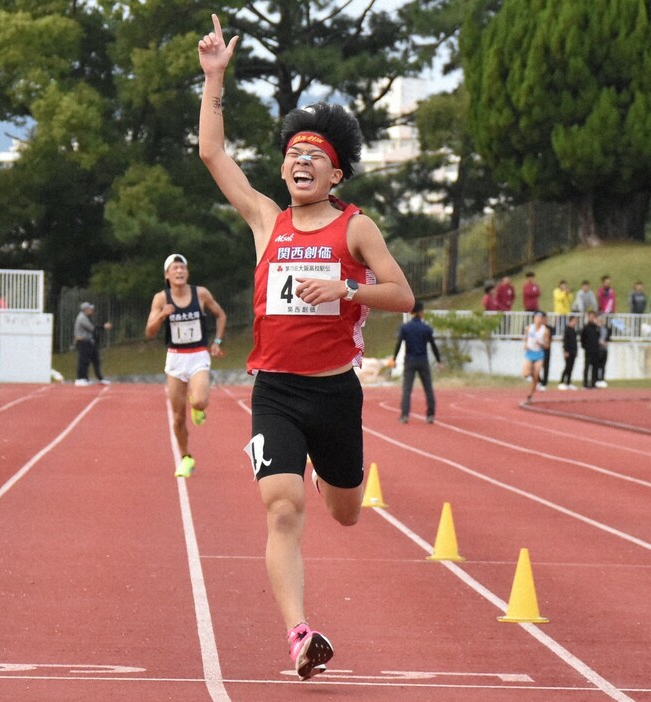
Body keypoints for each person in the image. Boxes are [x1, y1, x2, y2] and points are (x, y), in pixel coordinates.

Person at [197, 14, 414, 681]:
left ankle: (329, 473)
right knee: (282, 507)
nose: (299, 161)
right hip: (278, 391)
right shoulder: (267, 219)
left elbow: (402, 295)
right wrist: (213, 80)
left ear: (335, 172)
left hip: (335, 390)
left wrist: (347, 289)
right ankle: (298, 633)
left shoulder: (355, 229)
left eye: (312, 155)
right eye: (292, 153)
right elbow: (212, 155)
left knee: (344, 513)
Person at [145, 253, 227, 478]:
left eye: (182, 268)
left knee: (200, 401)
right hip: (175, 357)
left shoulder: (200, 293)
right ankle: (185, 458)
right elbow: (149, 332)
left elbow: (220, 315)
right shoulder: (161, 298)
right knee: (178, 417)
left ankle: (197, 406)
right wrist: (162, 315)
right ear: (167, 275)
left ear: (187, 272)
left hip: (198, 355)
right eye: (175, 268)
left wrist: (217, 342)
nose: (179, 271)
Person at [391, 300, 443, 424]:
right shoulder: (426, 329)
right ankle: (430, 415)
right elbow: (433, 345)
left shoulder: (405, 328)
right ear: (421, 312)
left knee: (407, 389)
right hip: (423, 360)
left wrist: (394, 359)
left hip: (409, 360)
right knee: (428, 388)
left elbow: (399, 344)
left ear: (411, 312)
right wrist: (439, 360)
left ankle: (404, 415)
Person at [73, 302, 113, 386]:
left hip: (88, 342)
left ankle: (90, 378)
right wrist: (104, 327)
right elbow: (92, 328)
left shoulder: (86, 317)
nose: (92, 310)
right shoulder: (82, 318)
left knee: (93, 360)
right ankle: (80, 378)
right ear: (85, 309)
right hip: (83, 342)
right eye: (90, 309)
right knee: (83, 360)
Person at [522, 311, 550, 403]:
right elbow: (526, 338)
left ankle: (530, 395)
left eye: (540, 318)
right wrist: (525, 345)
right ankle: (533, 380)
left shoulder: (545, 331)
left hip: (539, 354)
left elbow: (547, 345)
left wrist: (541, 343)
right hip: (530, 352)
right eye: (536, 318)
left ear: (542, 319)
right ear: (534, 319)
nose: (538, 320)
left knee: (536, 374)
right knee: (526, 374)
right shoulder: (529, 328)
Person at [580, 310, 600, 389]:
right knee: (587, 367)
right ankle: (585, 384)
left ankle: (593, 383)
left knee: (595, 367)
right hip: (588, 350)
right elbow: (582, 339)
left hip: (596, 350)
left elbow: (598, 337)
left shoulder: (596, 327)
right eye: (590, 316)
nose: (592, 318)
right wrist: (585, 347)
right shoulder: (585, 327)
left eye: (593, 316)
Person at [558, 315, 578, 390]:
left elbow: (574, 342)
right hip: (568, 352)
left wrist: (576, 351)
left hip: (573, 351)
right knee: (567, 367)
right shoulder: (567, 330)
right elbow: (565, 341)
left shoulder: (573, 330)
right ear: (571, 320)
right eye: (575, 321)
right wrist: (565, 351)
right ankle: (562, 381)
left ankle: (568, 382)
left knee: (571, 367)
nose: (576, 322)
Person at [538, 311, 556, 390]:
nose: (545, 320)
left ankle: (544, 383)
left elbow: (551, 336)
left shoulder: (550, 328)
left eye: (546, 318)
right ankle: (538, 381)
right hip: (538, 349)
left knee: (546, 366)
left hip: (547, 349)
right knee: (537, 366)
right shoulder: (537, 328)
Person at [595, 314, 611, 388]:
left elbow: (608, 337)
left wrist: (605, 342)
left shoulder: (606, 328)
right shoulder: (596, 329)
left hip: (605, 349)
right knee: (597, 365)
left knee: (603, 365)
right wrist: (600, 342)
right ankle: (597, 379)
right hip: (598, 349)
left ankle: (602, 379)